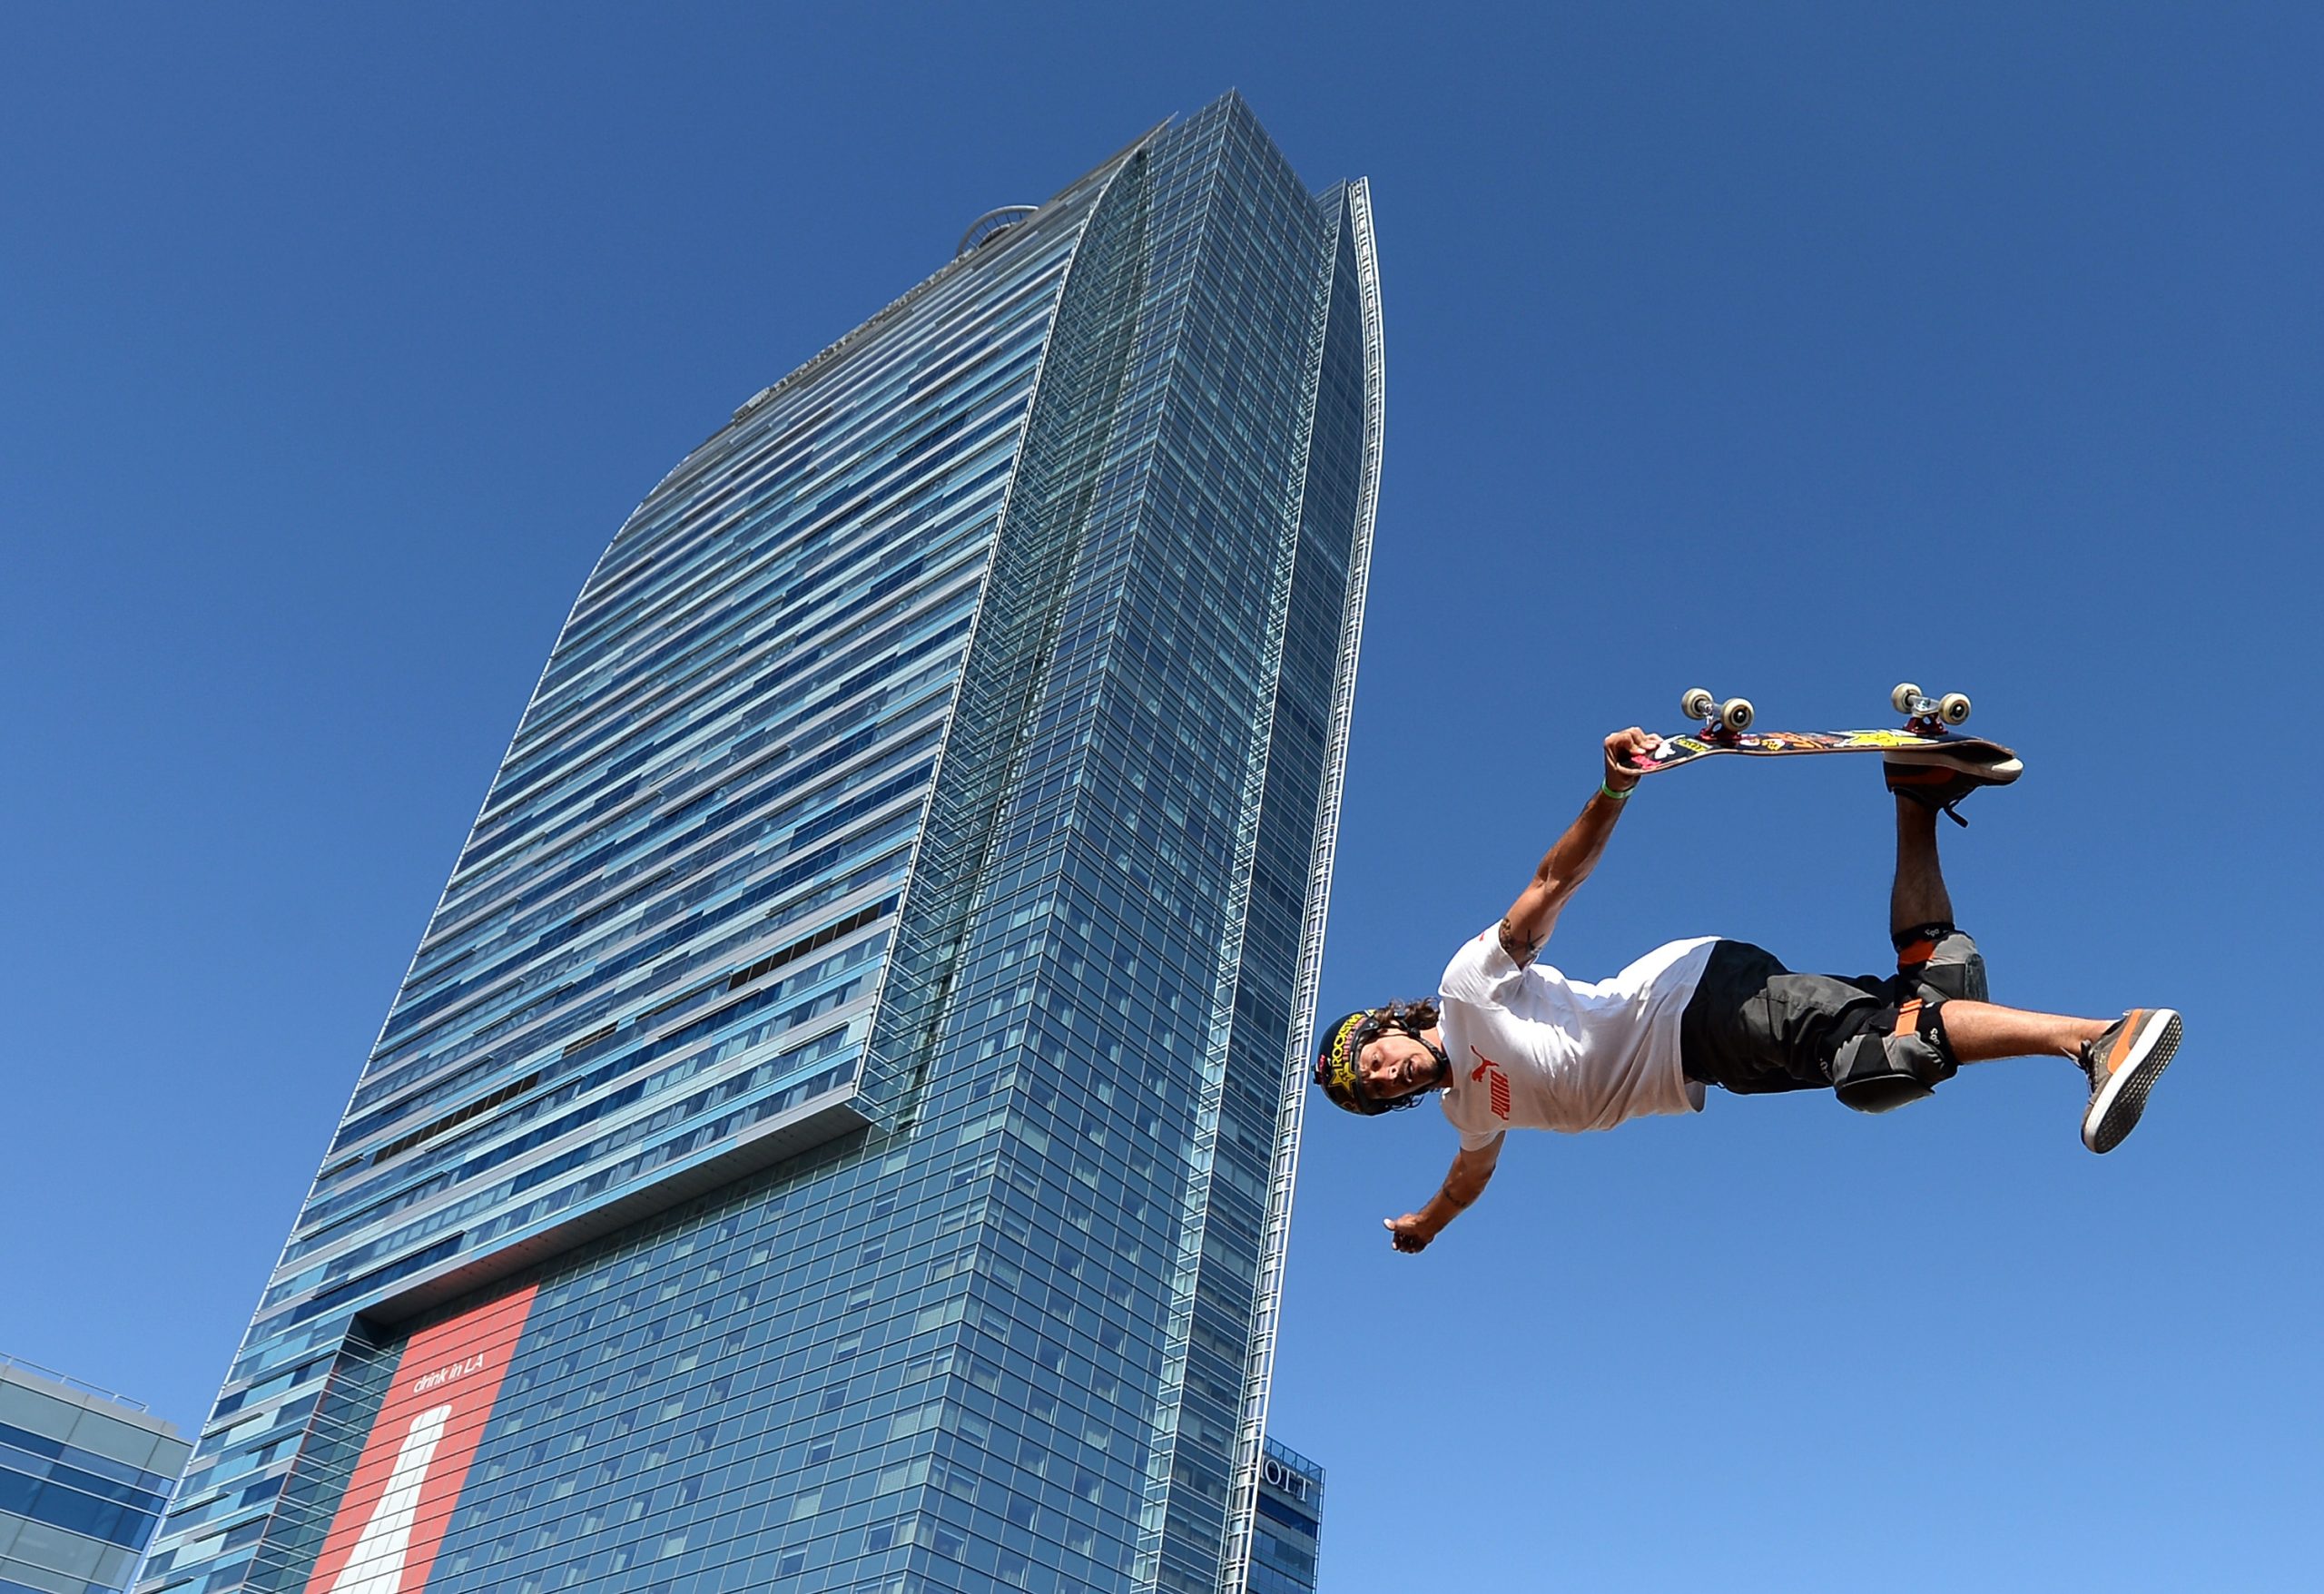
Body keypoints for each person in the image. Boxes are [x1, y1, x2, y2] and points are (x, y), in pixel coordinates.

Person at [1315, 728, 2182, 1255]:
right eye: (1375, 1091)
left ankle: (2099, 1036)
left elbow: (1550, 885)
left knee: (1889, 1050)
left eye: (1375, 1060)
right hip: (1712, 1064)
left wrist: (1615, 791)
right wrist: (1430, 1222)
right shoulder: (1468, 1113)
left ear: (1389, 1027)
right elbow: (1469, 1181)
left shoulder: (1467, 991)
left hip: (1689, 1004)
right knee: (1921, 1009)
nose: (1387, 1077)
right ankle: (1917, 791)